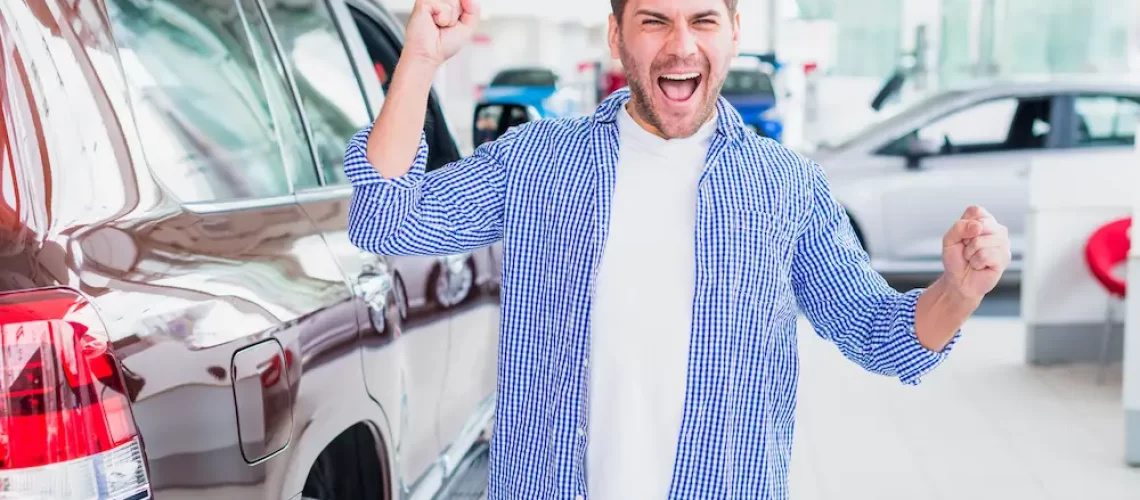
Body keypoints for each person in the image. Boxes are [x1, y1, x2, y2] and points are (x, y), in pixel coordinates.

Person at [343, 0, 1013, 498]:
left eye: (702, 20)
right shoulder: (538, 162)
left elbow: (882, 335)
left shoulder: (784, 186)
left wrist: (958, 290)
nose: (680, 45)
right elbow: (387, 217)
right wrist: (422, 60)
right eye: (655, 20)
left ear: (734, 33)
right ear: (617, 36)